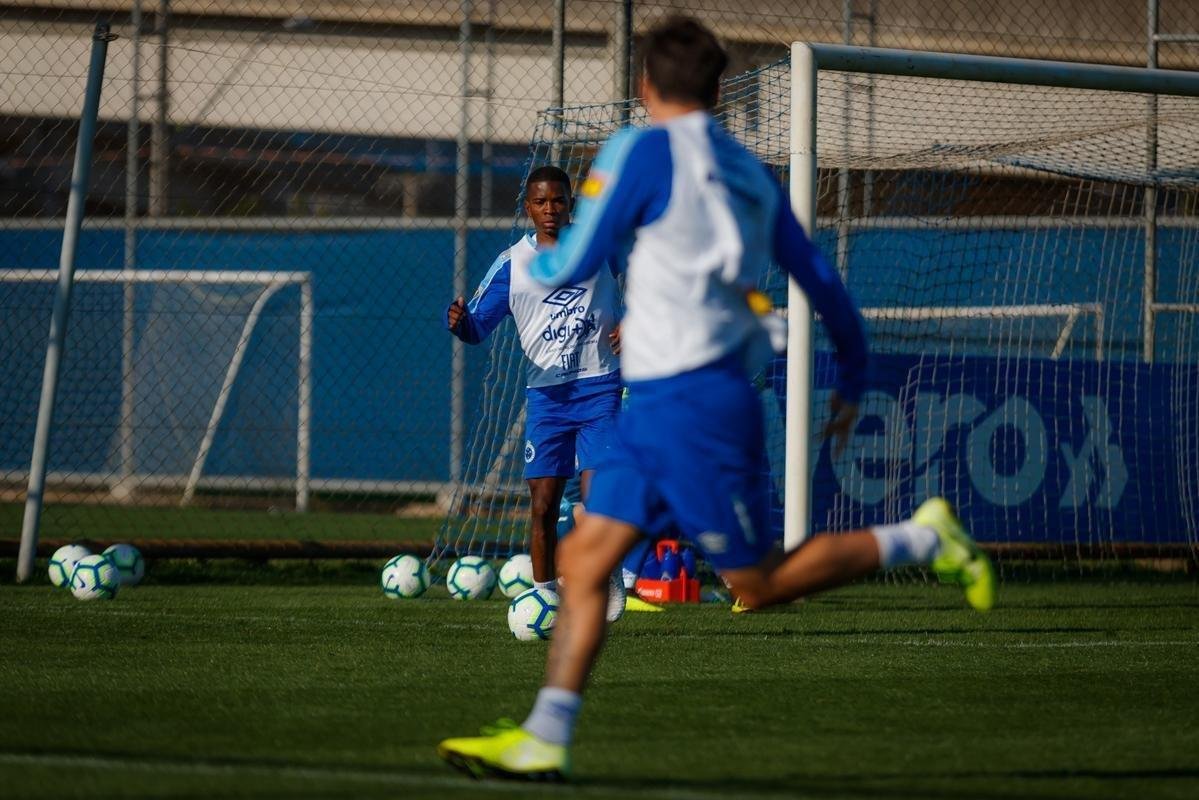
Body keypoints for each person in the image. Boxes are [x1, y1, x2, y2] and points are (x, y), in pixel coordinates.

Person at [438, 17, 996, 782]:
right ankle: (545, 734)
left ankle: (923, 539)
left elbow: (573, 255)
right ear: (715, 90)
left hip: (694, 406)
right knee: (589, 556)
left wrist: (562, 258)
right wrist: (856, 371)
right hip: (663, 401)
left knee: (756, 583)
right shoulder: (747, 172)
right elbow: (820, 280)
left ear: (644, 86)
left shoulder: (637, 149)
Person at [446, 166, 624, 614]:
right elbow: (476, 327)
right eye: (541, 202)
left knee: (598, 495)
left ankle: (608, 574)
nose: (550, 210)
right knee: (543, 504)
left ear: (571, 205)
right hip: (547, 397)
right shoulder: (512, 264)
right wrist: (460, 323)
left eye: (558, 201)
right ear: (528, 208)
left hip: (600, 385)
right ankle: (544, 596)